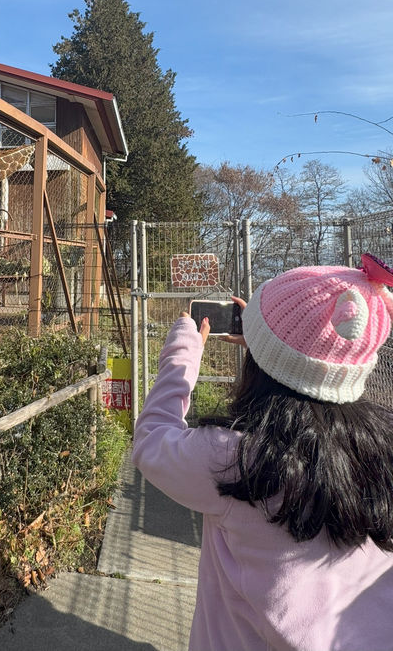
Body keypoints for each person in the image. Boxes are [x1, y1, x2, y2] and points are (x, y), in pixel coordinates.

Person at [132, 255, 393, 651]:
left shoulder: (235, 458)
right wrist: (268, 345)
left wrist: (183, 350)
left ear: (261, 362)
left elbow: (151, 439)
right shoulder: (379, 448)